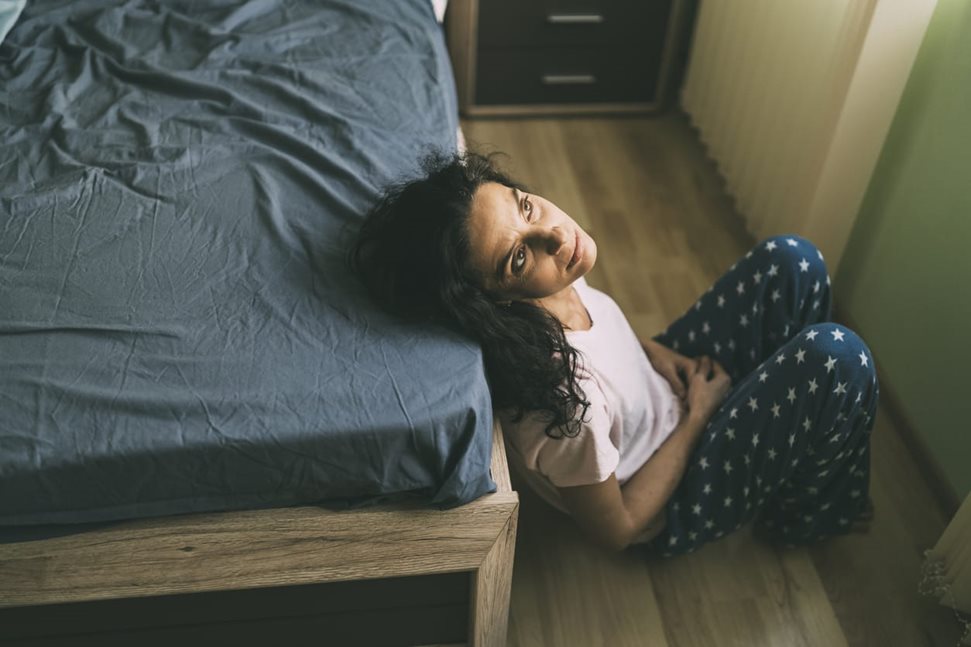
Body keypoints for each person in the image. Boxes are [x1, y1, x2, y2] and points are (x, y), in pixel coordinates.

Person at [352, 151, 879, 556]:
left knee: (792, 260)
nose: (556, 237)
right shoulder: (562, 405)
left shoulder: (551, 285)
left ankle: (791, 440)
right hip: (670, 488)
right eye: (518, 257)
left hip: (667, 393)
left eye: (526, 206)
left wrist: (651, 353)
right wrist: (700, 415)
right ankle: (803, 516)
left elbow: (600, 342)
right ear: (494, 301)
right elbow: (618, 530)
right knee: (839, 357)